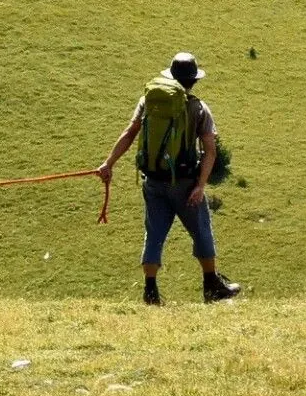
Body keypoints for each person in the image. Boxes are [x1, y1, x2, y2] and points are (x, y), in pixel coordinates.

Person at [97, 53, 241, 305]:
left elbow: (130, 133)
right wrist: (200, 185)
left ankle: (150, 292)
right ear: (193, 81)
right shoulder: (198, 108)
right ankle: (211, 286)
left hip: (153, 181)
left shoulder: (148, 101)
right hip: (185, 183)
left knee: (153, 234)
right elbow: (210, 151)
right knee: (202, 232)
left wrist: (108, 163)